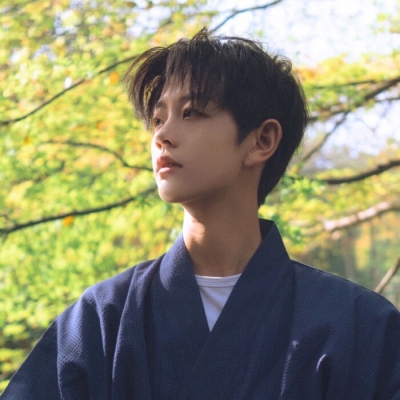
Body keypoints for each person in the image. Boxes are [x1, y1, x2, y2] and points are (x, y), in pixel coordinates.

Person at [2, 28, 400, 400]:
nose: (162, 135)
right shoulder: (103, 320)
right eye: (158, 119)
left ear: (262, 140)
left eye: (191, 112)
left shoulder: (359, 327)